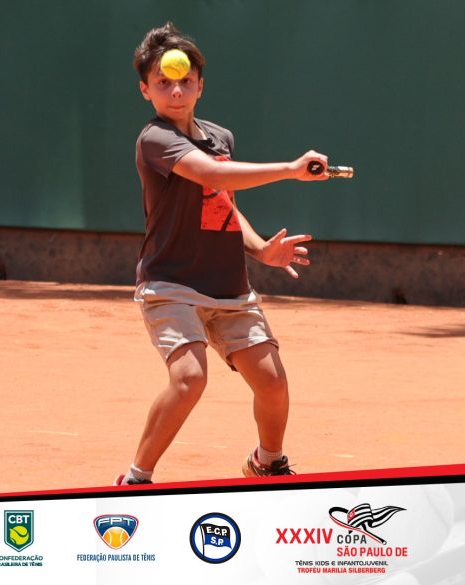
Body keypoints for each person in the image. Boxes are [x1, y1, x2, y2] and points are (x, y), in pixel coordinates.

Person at [115, 22, 329, 486]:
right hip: (171, 283)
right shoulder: (154, 139)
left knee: (272, 380)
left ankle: (267, 462)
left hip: (229, 287)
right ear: (145, 90)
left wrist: (260, 250)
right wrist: (290, 169)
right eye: (163, 82)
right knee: (190, 378)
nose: (175, 91)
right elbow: (212, 175)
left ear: (200, 85)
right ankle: (136, 478)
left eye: (185, 81)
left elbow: (222, 200)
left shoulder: (220, 138)